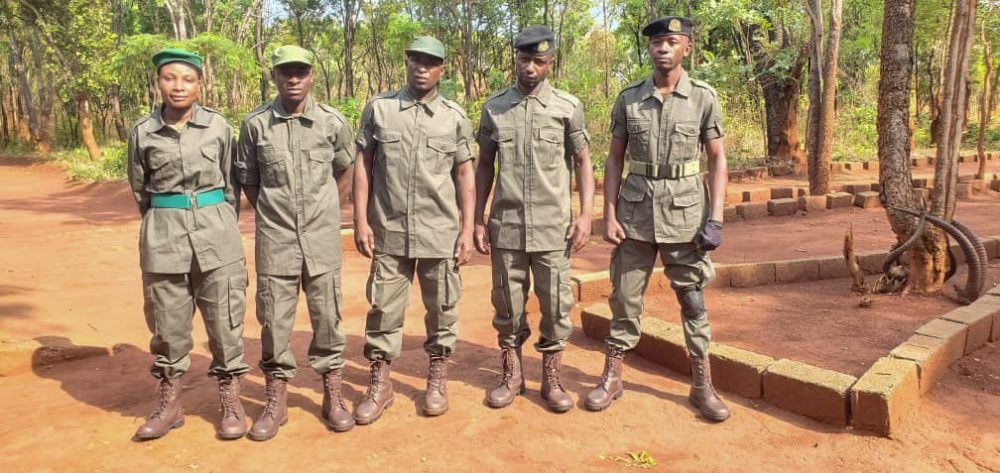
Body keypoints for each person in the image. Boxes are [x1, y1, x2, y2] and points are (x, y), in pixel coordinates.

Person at [584, 16, 731, 422]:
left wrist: (715, 218)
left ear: (686, 47)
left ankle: (702, 385)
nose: (662, 48)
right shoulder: (629, 98)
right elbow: (614, 158)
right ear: (648, 50)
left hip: (686, 214)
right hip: (635, 214)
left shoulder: (703, 97)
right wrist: (608, 213)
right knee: (624, 297)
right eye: (656, 43)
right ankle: (612, 377)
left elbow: (718, 158)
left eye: (671, 41)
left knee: (692, 299)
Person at [127, 48, 250, 440]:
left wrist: (216, 219)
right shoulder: (142, 132)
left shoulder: (218, 127)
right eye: (169, 78)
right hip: (163, 235)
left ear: (200, 84)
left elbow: (232, 186)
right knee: (167, 325)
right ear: (158, 82)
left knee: (225, 323)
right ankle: (170, 404)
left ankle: (231, 402)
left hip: (217, 234)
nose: (177, 86)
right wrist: (167, 219)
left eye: (187, 79)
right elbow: (139, 189)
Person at [352, 36, 475, 424]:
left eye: (430, 62)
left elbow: (465, 173)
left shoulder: (454, 116)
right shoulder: (381, 109)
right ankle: (381, 383)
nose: (421, 67)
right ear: (406, 63)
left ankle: (436, 379)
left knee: (442, 309)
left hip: (439, 232)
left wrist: (467, 228)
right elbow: (362, 164)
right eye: (415, 60)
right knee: (384, 309)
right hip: (389, 229)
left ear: (442, 69)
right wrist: (359, 219)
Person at [236, 45, 356, 440]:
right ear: (274, 76)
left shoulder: (332, 122)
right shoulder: (255, 126)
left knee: (328, 319)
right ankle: (276, 399)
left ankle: (333, 394)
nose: (293, 79)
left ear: (311, 76)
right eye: (285, 72)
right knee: (274, 322)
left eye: (300, 72)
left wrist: (326, 209)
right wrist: (275, 213)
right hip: (276, 241)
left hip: (321, 239)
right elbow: (249, 181)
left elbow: (346, 169)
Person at [474, 26, 594, 413]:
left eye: (538, 61)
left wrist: (586, 215)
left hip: (551, 227)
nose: (530, 68)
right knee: (507, 304)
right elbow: (484, 167)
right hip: (506, 226)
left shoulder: (566, 107)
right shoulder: (495, 108)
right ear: (516, 59)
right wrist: (477, 219)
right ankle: (511, 375)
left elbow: (582, 163)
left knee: (555, 304)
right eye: (524, 59)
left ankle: (552, 378)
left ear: (550, 63)